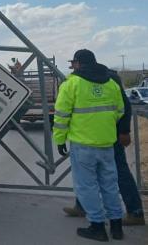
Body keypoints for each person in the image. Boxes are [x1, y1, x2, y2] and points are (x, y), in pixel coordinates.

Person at [53, 49, 125, 241]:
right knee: (110, 184)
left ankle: (97, 226)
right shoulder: (111, 83)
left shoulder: (72, 83)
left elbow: (61, 116)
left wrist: (60, 140)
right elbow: (119, 111)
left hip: (83, 144)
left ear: (78, 63)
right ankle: (117, 226)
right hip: (107, 143)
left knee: (87, 186)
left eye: (73, 63)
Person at [63, 66, 145, 226]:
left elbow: (125, 107)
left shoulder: (108, 79)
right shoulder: (91, 77)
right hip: (97, 135)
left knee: (118, 172)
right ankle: (82, 206)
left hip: (108, 136)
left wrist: (124, 131)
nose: (74, 67)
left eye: (75, 63)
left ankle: (135, 212)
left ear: (81, 63)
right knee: (87, 175)